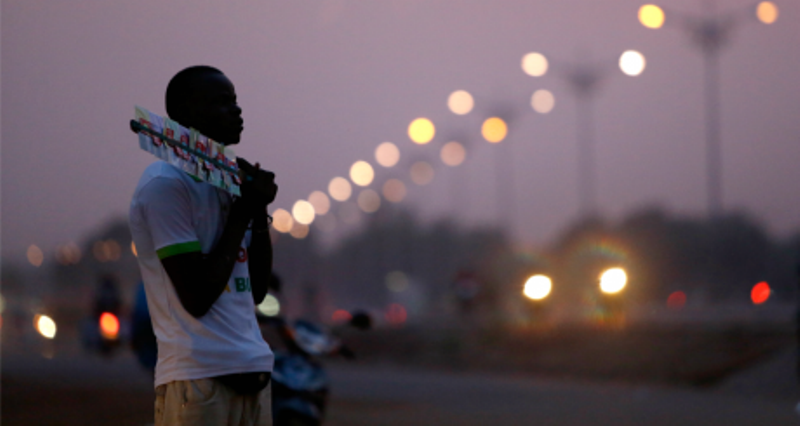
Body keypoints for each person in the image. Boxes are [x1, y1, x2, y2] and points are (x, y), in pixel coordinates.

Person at [129, 65, 278, 426]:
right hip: (199, 381)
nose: (236, 111)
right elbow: (196, 295)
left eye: (235, 101)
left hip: (255, 376)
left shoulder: (228, 182)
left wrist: (258, 212)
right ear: (186, 115)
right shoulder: (165, 185)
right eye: (222, 102)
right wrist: (243, 210)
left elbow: (256, 290)